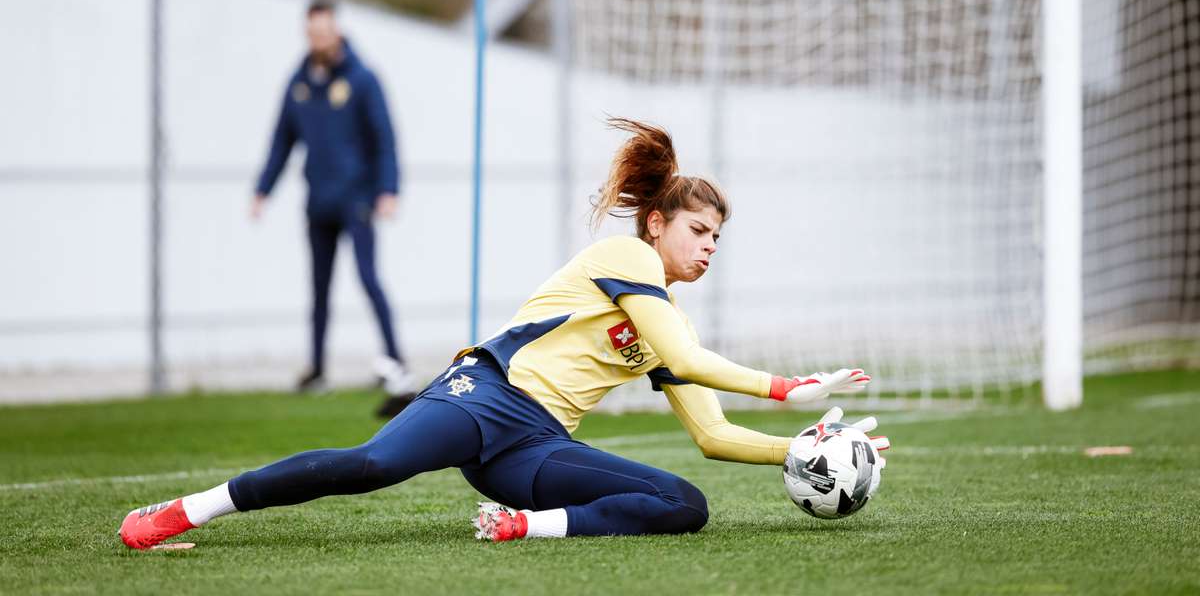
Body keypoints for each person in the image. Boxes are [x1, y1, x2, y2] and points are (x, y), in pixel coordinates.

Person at [119, 118, 886, 548]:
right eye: (698, 229)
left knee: (683, 504)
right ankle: (188, 510)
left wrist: (799, 450)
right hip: (484, 396)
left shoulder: (665, 317)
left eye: (718, 237)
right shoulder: (627, 257)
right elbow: (688, 358)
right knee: (372, 465)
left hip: (534, 447)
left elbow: (713, 437)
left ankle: (526, 526)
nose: (709, 246)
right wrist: (790, 387)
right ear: (657, 224)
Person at [251, 0, 415, 415]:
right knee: (319, 288)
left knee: (367, 277)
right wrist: (263, 190)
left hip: (356, 199)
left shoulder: (362, 79)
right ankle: (318, 369)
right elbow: (281, 139)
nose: (318, 38)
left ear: (336, 30)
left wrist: (388, 189)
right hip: (318, 201)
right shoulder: (300, 81)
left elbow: (385, 138)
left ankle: (397, 363)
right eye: (312, 32)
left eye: (324, 31)